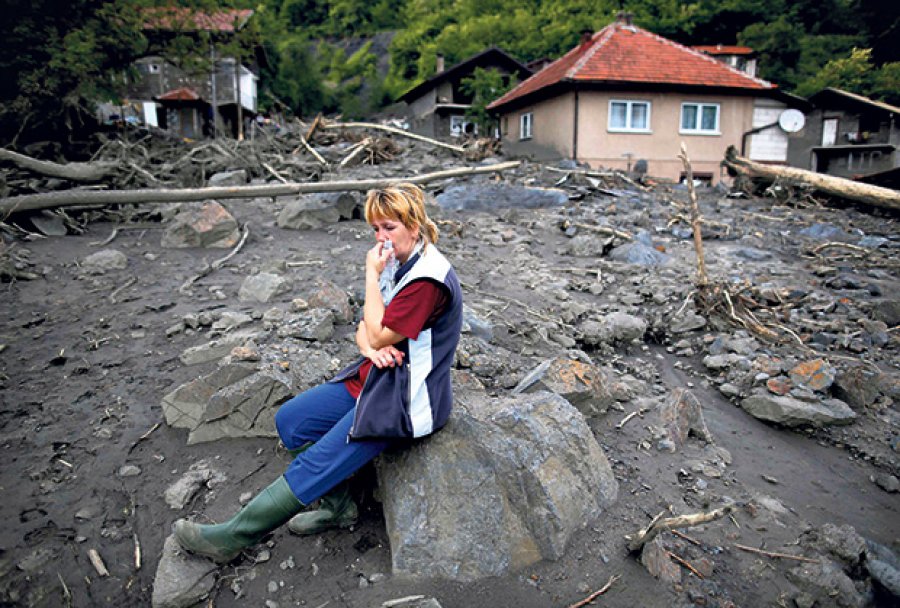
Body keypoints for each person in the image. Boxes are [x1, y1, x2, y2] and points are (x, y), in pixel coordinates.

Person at [173, 183, 463, 563]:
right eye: (375, 229)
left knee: (316, 461)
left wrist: (370, 277)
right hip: (378, 374)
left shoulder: (427, 278)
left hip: (406, 398)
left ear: (414, 224)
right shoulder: (401, 261)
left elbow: (376, 328)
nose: (380, 238)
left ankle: (232, 537)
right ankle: (339, 507)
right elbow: (365, 330)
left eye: (389, 227)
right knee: (291, 420)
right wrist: (369, 347)